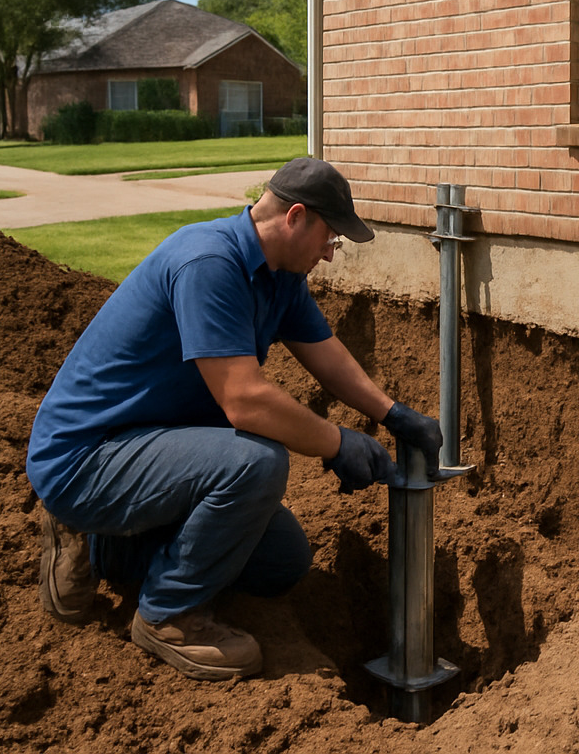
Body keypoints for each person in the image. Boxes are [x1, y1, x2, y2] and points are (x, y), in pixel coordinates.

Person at [27, 156, 445, 681]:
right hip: (87, 458)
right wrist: (337, 443)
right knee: (256, 462)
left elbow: (325, 352)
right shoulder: (209, 263)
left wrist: (393, 414)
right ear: (295, 217)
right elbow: (244, 401)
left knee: (281, 561)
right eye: (330, 237)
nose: (329, 253)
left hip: (150, 444)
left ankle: (105, 546)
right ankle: (167, 615)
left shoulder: (280, 275)